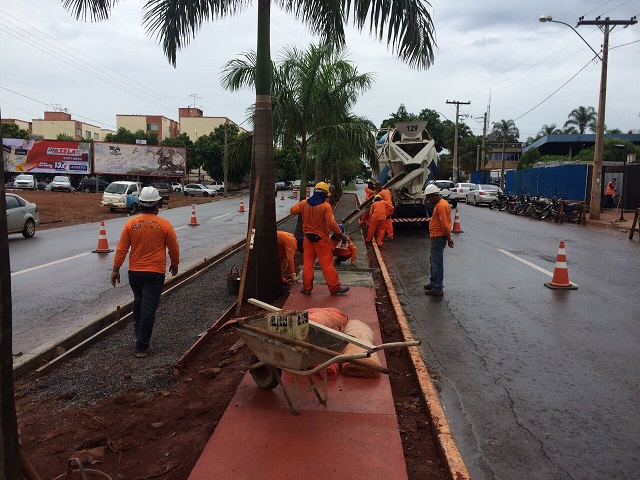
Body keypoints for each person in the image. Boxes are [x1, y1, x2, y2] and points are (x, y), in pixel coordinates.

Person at [111, 186, 180, 357]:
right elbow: (174, 248)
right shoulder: (164, 225)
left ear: (141, 203)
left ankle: (139, 337)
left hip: (135, 272)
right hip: (154, 273)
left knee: (139, 303)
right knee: (148, 307)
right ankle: (142, 346)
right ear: (158, 204)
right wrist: (175, 263)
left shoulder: (130, 224)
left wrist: (116, 269)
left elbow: (121, 249)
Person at [290, 182, 350, 295]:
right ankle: (334, 288)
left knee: (308, 265)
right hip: (322, 240)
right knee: (327, 265)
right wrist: (341, 235)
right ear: (324, 195)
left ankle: (307, 288)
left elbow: (292, 210)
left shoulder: (305, 203)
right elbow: (331, 223)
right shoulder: (325, 206)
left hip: (308, 239)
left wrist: (305, 206)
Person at [423, 184, 454, 296]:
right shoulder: (441, 204)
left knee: (437, 263)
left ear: (433, 195)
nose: (427, 200)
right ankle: (433, 283)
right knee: (433, 261)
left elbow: (445, 225)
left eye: (428, 197)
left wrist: (448, 238)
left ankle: (437, 288)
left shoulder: (441, 206)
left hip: (438, 237)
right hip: (437, 237)